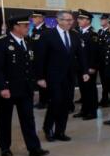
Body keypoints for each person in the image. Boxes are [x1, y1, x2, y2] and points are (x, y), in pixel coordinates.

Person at [0, 15, 49, 156]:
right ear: (15, 27)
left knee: (28, 119)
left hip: (25, 89)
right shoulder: (2, 42)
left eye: (27, 25)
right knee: (4, 120)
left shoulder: (28, 42)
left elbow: (30, 65)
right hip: (8, 89)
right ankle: (4, 147)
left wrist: (37, 80)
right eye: (25, 25)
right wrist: (2, 87)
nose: (27, 27)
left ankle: (34, 149)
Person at [35, 10, 89, 142]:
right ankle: (48, 128)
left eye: (71, 20)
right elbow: (40, 58)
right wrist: (40, 77)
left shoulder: (74, 35)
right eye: (67, 20)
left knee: (66, 104)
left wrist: (85, 71)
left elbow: (81, 55)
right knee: (56, 102)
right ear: (59, 20)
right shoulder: (47, 35)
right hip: (53, 76)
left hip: (69, 76)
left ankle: (60, 131)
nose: (71, 22)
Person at [73, 9, 99, 121]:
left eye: (81, 19)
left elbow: (95, 53)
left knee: (90, 90)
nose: (78, 21)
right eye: (78, 18)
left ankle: (92, 112)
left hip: (89, 67)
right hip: (80, 66)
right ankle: (84, 110)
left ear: (88, 21)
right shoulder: (78, 32)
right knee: (83, 90)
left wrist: (93, 67)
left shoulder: (92, 35)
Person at [29, 11, 49, 110]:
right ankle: (42, 100)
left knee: (43, 81)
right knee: (39, 81)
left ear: (41, 18)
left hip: (43, 61)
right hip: (35, 60)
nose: (33, 19)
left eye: (35, 17)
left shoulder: (45, 30)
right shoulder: (34, 30)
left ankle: (45, 101)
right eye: (33, 17)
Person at [97, 14, 110, 108]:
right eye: (101, 19)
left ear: (108, 20)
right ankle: (104, 98)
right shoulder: (100, 31)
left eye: (103, 19)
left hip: (107, 61)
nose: (101, 21)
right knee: (103, 82)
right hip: (101, 61)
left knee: (109, 82)